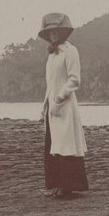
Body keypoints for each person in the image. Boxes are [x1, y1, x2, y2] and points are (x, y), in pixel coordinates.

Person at [39, 13, 88, 199]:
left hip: (65, 105)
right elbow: (50, 83)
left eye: (56, 31)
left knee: (66, 145)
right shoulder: (52, 54)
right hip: (52, 107)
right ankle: (57, 185)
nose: (53, 34)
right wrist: (45, 106)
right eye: (49, 32)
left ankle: (69, 186)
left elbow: (74, 80)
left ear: (63, 32)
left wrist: (59, 98)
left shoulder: (70, 51)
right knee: (54, 145)